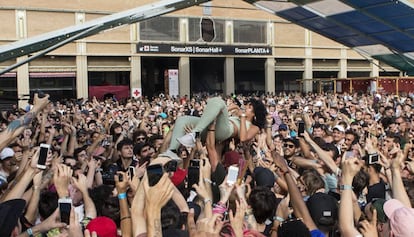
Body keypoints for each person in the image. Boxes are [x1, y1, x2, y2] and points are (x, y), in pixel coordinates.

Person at [163, 97, 266, 158]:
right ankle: (172, 151)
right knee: (182, 120)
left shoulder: (254, 127)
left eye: (249, 107)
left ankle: (195, 133)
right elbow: (219, 110)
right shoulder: (236, 114)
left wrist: (242, 118)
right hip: (213, 127)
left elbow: (243, 138)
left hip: (225, 131)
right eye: (246, 105)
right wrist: (234, 107)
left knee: (218, 100)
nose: (246, 108)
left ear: (255, 113)